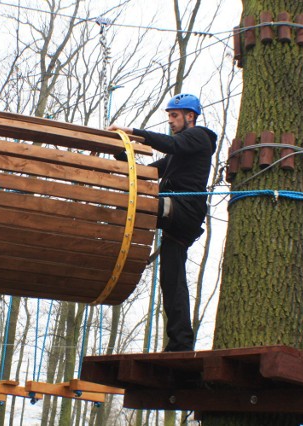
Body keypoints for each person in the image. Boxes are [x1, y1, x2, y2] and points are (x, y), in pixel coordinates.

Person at [108, 93, 217, 352]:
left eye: (174, 115)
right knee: (171, 279)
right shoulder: (177, 155)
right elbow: (147, 173)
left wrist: (131, 132)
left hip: (184, 209)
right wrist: (118, 153)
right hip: (177, 221)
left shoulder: (199, 137)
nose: (170, 120)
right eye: (169, 116)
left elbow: (170, 144)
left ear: (190, 116)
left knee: (136, 205)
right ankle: (180, 343)